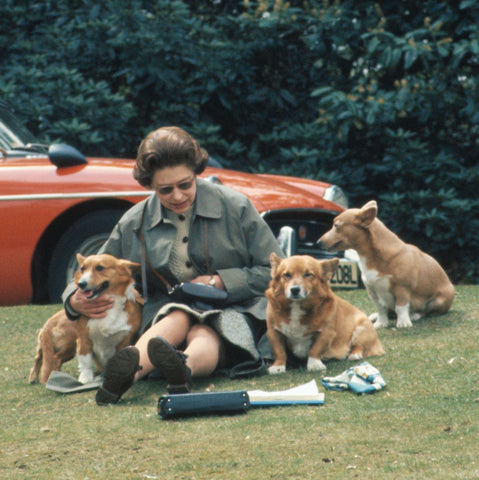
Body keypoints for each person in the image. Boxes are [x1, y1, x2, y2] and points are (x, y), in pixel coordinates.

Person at [62, 126, 285, 405]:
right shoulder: (134, 221)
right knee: (177, 316)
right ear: (150, 186)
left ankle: (182, 368)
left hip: (236, 307)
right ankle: (123, 378)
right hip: (168, 311)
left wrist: (221, 282)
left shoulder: (236, 206)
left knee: (204, 330)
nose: (177, 196)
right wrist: (74, 301)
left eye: (185, 185)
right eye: (165, 190)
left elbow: (278, 273)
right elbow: (88, 272)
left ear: (196, 174)